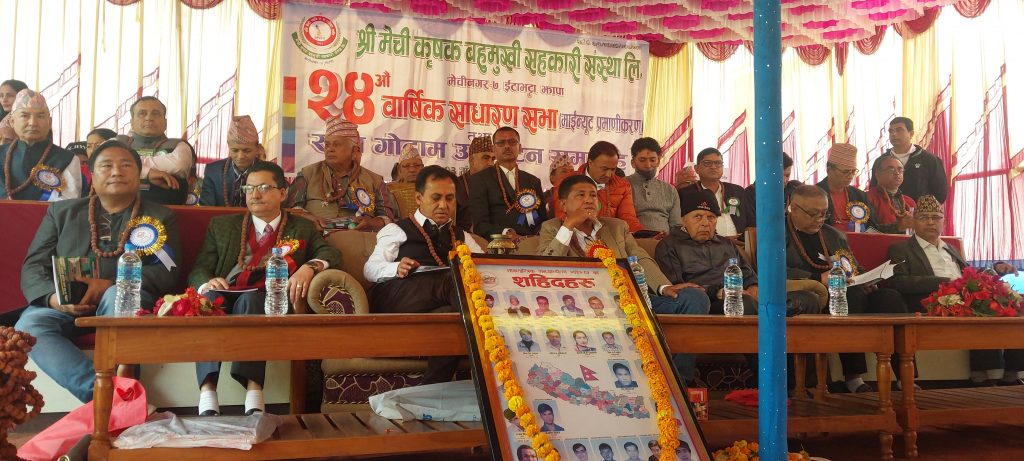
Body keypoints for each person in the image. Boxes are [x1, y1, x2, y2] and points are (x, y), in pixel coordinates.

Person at [14, 141, 181, 402]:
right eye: (106, 165)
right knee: (29, 326)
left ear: (138, 174)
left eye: (126, 165)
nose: (116, 172)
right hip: (64, 303)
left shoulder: (159, 217)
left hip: (122, 300)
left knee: (119, 298)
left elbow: (167, 272)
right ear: (92, 174)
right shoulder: (61, 212)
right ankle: (105, 397)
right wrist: (53, 298)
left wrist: (110, 285)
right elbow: (34, 265)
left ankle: (114, 400)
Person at [187, 162, 341, 415]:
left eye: (263, 188)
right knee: (209, 301)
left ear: (282, 193)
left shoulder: (301, 227)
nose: (254, 194)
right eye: (249, 188)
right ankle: (207, 391)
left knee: (251, 302)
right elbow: (199, 268)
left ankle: (254, 391)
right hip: (227, 292)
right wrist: (207, 282)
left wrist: (309, 267)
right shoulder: (223, 225)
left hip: (270, 298)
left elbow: (330, 253)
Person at [538, 175, 710, 381]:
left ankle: (677, 380)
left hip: (630, 299)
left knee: (694, 298)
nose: (589, 200)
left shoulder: (616, 227)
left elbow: (640, 257)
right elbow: (544, 266)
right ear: (563, 204)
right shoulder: (552, 228)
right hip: (584, 305)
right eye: (580, 195)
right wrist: (568, 226)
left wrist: (664, 287)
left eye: (593, 195)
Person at [363, 166, 483, 383]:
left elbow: (485, 269)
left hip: (441, 303)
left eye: (449, 198)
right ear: (418, 198)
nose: (443, 205)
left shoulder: (462, 236)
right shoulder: (397, 229)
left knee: (450, 316)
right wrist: (395, 268)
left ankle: (432, 387)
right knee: (456, 278)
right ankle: (488, 349)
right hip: (399, 295)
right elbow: (370, 269)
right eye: (436, 198)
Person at [886, 196, 1021, 386]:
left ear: (944, 221)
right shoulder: (901, 249)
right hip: (933, 300)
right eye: (924, 217)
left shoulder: (950, 248)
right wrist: (945, 283)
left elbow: (968, 273)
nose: (931, 222)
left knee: (1013, 302)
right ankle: (983, 375)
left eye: (936, 217)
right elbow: (899, 282)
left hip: (964, 296)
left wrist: (994, 269)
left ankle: (1012, 372)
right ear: (914, 221)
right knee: (980, 305)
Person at [786, 185, 909, 392]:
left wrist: (867, 279)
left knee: (890, 298)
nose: (820, 219)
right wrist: (817, 278)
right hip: (817, 294)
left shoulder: (834, 235)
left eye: (824, 213)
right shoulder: (777, 233)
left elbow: (854, 266)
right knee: (850, 294)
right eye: (813, 213)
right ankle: (854, 377)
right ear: (794, 208)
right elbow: (772, 269)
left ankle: (905, 376)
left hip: (849, 289)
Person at [656, 189, 769, 316]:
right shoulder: (669, 245)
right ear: (684, 220)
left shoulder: (726, 244)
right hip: (705, 304)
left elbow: (747, 274)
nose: (705, 223)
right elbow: (679, 289)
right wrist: (717, 292)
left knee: (775, 297)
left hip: (737, 296)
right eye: (698, 216)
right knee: (744, 303)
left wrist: (753, 286)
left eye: (711, 218)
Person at [287, 115, 397, 231]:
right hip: (315, 235)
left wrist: (371, 223)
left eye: (336, 144)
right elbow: (290, 209)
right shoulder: (307, 174)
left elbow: (388, 218)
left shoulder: (375, 180)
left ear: (354, 151)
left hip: (360, 237)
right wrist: (308, 218)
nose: (329, 149)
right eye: (327, 145)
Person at [0, 90, 82, 201]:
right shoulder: (2, 154)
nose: (33, 123)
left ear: (49, 122)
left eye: (40, 116)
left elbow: (68, 203)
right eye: (25, 116)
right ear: (12, 121)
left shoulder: (67, 159)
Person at [115, 96, 197, 205]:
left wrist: (125, 164)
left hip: (167, 208)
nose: (149, 118)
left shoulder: (179, 145)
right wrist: (148, 173)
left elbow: (178, 166)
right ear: (132, 122)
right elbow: (103, 167)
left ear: (165, 122)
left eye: (156, 114)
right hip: (120, 206)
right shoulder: (116, 142)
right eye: (142, 113)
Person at [469, 126, 546, 239]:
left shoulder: (533, 181)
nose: (507, 146)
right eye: (501, 143)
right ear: (493, 149)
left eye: (512, 142)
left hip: (531, 243)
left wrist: (536, 237)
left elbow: (543, 221)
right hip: (497, 243)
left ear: (520, 148)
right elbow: (480, 225)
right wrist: (507, 233)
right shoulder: (480, 180)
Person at [552, 141, 643, 233]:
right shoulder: (565, 182)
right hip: (573, 236)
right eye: (604, 169)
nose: (608, 175)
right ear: (590, 163)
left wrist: (642, 235)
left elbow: (629, 219)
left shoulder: (622, 186)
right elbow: (561, 219)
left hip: (610, 237)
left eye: (613, 169)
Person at [679, 148, 752, 241]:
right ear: (696, 169)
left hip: (740, 244)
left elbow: (750, 222)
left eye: (718, 163)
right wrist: (722, 241)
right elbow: (682, 227)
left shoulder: (737, 191)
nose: (713, 167)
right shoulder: (685, 194)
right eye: (707, 163)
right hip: (704, 245)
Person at [870, 117, 948, 203]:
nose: (893, 134)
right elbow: (873, 189)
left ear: (911, 134)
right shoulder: (881, 161)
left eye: (899, 130)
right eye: (891, 131)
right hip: (886, 210)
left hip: (918, 210)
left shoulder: (929, 159)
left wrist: (923, 209)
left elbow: (940, 193)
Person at [198, 116, 267, 207]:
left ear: (258, 148)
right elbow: (206, 208)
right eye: (235, 150)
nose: (240, 156)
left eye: (247, 151)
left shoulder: (270, 172)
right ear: (229, 147)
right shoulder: (213, 172)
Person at [816, 143, 878, 232]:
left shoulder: (860, 196)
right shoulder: (814, 194)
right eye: (845, 172)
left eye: (853, 171)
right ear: (829, 170)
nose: (850, 176)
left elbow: (872, 226)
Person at [626, 137, 681, 237]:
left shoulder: (670, 190)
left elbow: (676, 225)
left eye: (652, 160)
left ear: (658, 161)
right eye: (642, 160)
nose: (648, 165)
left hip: (665, 242)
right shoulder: (622, 185)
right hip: (632, 241)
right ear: (633, 163)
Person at [745, 152, 803, 227]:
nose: (784, 180)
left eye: (787, 175)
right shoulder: (751, 193)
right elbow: (753, 225)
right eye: (779, 175)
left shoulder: (795, 188)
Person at [867, 154, 916, 234]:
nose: (897, 173)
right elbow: (866, 228)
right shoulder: (868, 198)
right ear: (877, 174)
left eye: (900, 170)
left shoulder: (910, 201)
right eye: (891, 170)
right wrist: (898, 227)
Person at [455, 136, 495, 232]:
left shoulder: (498, 184)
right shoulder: (456, 185)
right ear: (471, 161)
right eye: (486, 158)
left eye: (493, 159)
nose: (491, 163)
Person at [389, 144, 425, 218]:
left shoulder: (430, 188)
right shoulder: (389, 189)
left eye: (417, 165)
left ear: (422, 167)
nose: (412, 170)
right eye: (406, 166)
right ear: (399, 169)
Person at [546, 152, 576, 218]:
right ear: (552, 178)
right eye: (564, 171)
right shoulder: (543, 198)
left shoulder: (579, 196)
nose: (569, 174)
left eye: (572, 171)